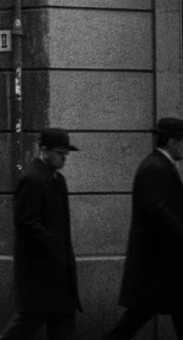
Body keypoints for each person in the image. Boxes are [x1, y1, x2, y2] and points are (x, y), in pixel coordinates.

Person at [0, 128, 81, 340]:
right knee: (28, 323)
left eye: (66, 153)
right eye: (60, 153)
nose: (64, 158)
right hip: (41, 272)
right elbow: (26, 222)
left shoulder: (57, 180)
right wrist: (54, 246)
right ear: (44, 150)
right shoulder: (32, 179)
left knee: (61, 325)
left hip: (57, 271)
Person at [103, 117, 183, 340]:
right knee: (136, 318)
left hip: (160, 265)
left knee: (140, 316)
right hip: (157, 265)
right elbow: (158, 211)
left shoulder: (159, 165)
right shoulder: (155, 167)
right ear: (172, 142)